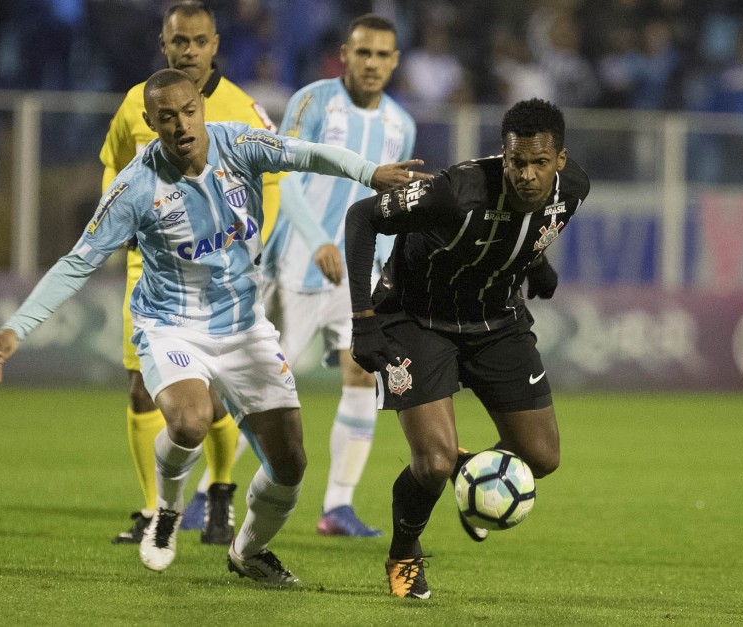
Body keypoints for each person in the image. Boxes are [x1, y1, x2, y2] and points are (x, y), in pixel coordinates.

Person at [0, 68, 423, 584]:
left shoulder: (240, 145)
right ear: (151, 122)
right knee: (190, 419)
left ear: (201, 109)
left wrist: (369, 173)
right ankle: (166, 512)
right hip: (171, 326)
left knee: (291, 465)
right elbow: (78, 261)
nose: (182, 124)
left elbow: (305, 153)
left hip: (245, 327)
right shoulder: (136, 187)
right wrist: (15, 329)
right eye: (167, 117)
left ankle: (248, 552)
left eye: (189, 111)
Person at [343, 98, 589, 599]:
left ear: (559, 161)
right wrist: (363, 320)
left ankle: (472, 478)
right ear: (503, 155)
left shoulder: (575, 190)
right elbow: (361, 217)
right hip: (415, 318)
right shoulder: (454, 192)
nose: (526, 174)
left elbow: (529, 229)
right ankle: (405, 553)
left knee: (541, 457)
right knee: (432, 462)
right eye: (516, 162)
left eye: (540, 163)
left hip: (496, 321)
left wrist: (535, 265)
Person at [99, 1, 280, 547]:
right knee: (140, 391)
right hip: (149, 267)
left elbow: (270, 181)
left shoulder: (241, 108)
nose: (190, 51)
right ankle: (156, 511)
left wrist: (254, 240)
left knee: (215, 395)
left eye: (199, 41)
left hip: (219, 271)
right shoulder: (138, 101)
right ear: (164, 44)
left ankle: (220, 492)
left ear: (215, 44)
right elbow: (113, 160)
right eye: (180, 42)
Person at [261, 13, 417, 538]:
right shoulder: (313, 101)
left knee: (362, 375)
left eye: (382, 55)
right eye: (363, 53)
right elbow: (282, 175)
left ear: (394, 62)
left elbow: (392, 205)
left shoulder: (401, 123)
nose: (372, 63)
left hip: (358, 275)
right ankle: (211, 492)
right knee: (262, 384)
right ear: (345, 55)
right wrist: (316, 239)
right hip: (299, 267)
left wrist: (384, 267)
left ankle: (338, 507)